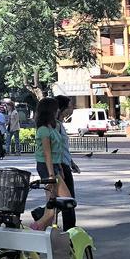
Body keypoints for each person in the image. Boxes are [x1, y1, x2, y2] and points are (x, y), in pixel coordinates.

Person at [30, 98, 73, 231]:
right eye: (56, 108)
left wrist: (59, 166)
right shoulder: (43, 130)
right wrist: (51, 175)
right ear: (50, 111)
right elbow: (47, 154)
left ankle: (42, 225)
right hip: (46, 166)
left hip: (53, 165)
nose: (58, 111)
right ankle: (41, 222)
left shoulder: (52, 127)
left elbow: (56, 150)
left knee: (53, 201)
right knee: (66, 199)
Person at [53, 94, 80, 229]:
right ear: (63, 108)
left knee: (63, 199)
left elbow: (62, 148)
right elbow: (55, 148)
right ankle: (69, 229)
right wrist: (59, 167)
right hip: (60, 166)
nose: (72, 108)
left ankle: (68, 228)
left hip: (64, 163)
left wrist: (71, 162)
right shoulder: (56, 126)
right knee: (68, 199)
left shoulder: (60, 124)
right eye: (70, 106)